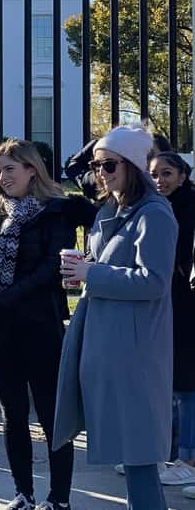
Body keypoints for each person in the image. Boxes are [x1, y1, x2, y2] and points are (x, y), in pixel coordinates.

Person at [56, 125, 178, 510]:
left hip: (135, 352)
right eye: (97, 166)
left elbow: (154, 281)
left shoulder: (154, 213)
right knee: (133, 458)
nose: (101, 174)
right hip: (109, 343)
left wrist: (92, 273)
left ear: (133, 166)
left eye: (110, 165)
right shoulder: (114, 209)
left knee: (139, 458)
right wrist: (85, 267)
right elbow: (113, 265)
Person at [0, 139, 94, 510]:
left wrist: (9, 298)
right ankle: (22, 493)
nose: (3, 177)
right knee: (13, 415)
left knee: (52, 416)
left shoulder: (56, 212)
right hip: (0, 330)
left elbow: (51, 267)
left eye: (10, 168)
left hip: (40, 325)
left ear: (31, 170)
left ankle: (59, 499)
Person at [149, 152, 195, 485]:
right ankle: (166, 451)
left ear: (182, 175)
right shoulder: (155, 206)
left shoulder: (187, 207)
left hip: (187, 302)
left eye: (167, 173)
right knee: (169, 379)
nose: (159, 180)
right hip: (169, 302)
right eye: (153, 174)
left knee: (186, 380)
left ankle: (188, 458)